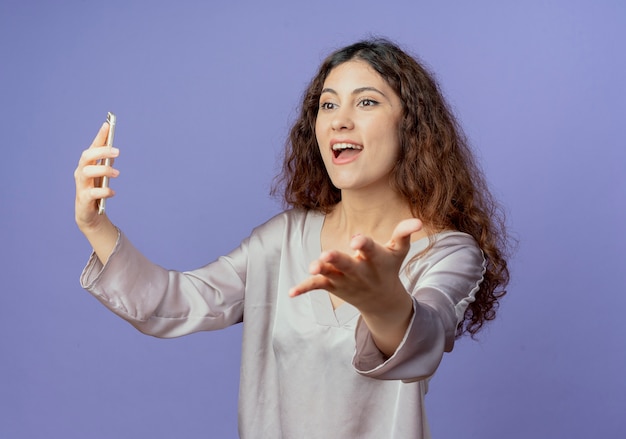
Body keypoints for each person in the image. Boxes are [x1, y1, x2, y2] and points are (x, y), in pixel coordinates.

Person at [75, 39, 510, 439]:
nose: (340, 119)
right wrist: (96, 226)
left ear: (411, 127)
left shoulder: (447, 251)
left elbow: (425, 339)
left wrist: (384, 302)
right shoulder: (281, 241)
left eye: (367, 102)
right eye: (328, 105)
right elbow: (170, 304)